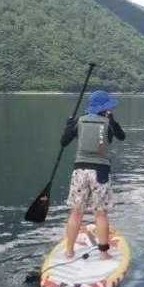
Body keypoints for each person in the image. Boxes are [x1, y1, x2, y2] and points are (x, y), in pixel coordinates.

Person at [60, 90, 126, 260]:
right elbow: (121, 136)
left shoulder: (78, 122)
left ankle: (69, 251)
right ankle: (103, 253)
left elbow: (64, 141)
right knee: (100, 214)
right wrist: (111, 119)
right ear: (105, 108)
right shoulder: (107, 123)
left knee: (76, 212)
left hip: (80, 170)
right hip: (100, 172)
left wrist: (69, 124)